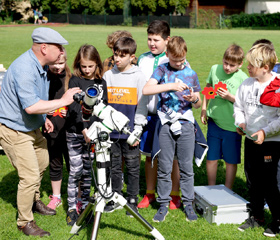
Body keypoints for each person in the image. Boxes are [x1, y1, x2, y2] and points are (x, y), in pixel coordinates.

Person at [0, 27, 81, 237]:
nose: (62, 51)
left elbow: (37, 100)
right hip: (13, 129)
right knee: (29, 176)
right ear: (44, 48)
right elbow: (30, 106)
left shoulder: (41, 65)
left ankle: (33, 200)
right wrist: (63, 101)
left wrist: (44, 118)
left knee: (42, 163)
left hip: (31, 126)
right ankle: (24, 221)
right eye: (59, 47)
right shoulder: (25, 68)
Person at [142, 36, 201, 222]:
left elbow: (198, 102)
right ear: (167, 55)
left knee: (186, 167)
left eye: (182, 59)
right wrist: (171, 86)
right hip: (166, 124)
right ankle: (163, 204)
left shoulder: (191, 73)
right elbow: (146, 90)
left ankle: (188, 204)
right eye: (175, 60)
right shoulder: (161, 69)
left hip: (185, 124)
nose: (179, 63)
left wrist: (194, 100)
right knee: (164, 167)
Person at [137, 20, 189, 210]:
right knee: (150, 156)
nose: (152, 43)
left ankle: (174, 195)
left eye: (156, 40)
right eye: (149, 39)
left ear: (167, 40)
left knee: (172, 157)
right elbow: (141, 88)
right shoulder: (143, 59)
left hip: (170, 117)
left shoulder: (176, 58)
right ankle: (150, 193)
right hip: (150, 115)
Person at [234, 43, 280, 237]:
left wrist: (265, 131)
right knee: (253, 179)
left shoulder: (277, 86)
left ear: (266, 68)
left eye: (252, 65)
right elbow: (238, 106)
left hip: (271, 142)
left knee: (271, 182)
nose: (248, 67)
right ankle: (257, 216)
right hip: (251, 140)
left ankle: (277, 220)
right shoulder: (246, 83)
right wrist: (241, 122)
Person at [103, 37, 146, 216]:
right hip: (112, 132)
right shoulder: (108, 75)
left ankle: (132, 200)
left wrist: (138, 129)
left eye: (122, 55)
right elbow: (104, 105)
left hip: (130, 133)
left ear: (132, 57)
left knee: (133, 166)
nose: (117, 59)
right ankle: (116, 196)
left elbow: (142, 105)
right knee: (114, 166)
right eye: (115, 54)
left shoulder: (138, 75)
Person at [65, 44, 108, 226]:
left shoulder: (101, 84)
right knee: (75, 171)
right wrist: (84, 129)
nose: (87, 70)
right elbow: (74, 108)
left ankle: (84, 206)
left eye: (91, 66)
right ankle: (71, 208)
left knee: (88, 173)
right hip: (75, 133)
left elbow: (103, 110)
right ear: (78, 65)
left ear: (97, 64)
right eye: (84, 67)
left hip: (93, 136)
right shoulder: (75, 81)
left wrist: (93, 131)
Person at [200, 44, 247, 189]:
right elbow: (208, 88)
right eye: (225, 63)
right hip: (214, 121)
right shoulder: (215, 69)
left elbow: (245, 103)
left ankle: (228, 190)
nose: (227, 67)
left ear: (240, 64)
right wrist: (203, 108)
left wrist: (230, 97)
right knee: (211, 159)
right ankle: (211, 187)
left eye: (232, 65)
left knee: (230, 161)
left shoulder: (243, 78)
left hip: (233, 126)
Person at [43, 47, 71, 210]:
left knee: (73, 165)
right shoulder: (43, 79)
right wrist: (45, 112)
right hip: (51, 131)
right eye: (54, 63)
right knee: (55, 163)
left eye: (61, 63)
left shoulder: (70, 79)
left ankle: (77, 195)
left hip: (69, 132)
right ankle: (56, 196)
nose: (58, 67)